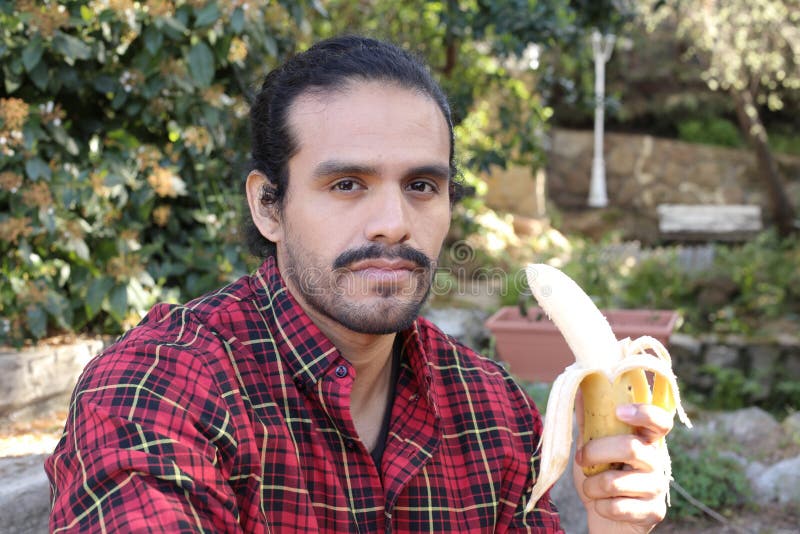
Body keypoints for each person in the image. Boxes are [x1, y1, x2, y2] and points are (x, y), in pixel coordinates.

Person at [46, 36, 673, 533]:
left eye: (421, 186)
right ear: (268, 206)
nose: (395, 224)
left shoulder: (495, 413)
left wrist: (611, 524)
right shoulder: (162, 390)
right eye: (346, 184)